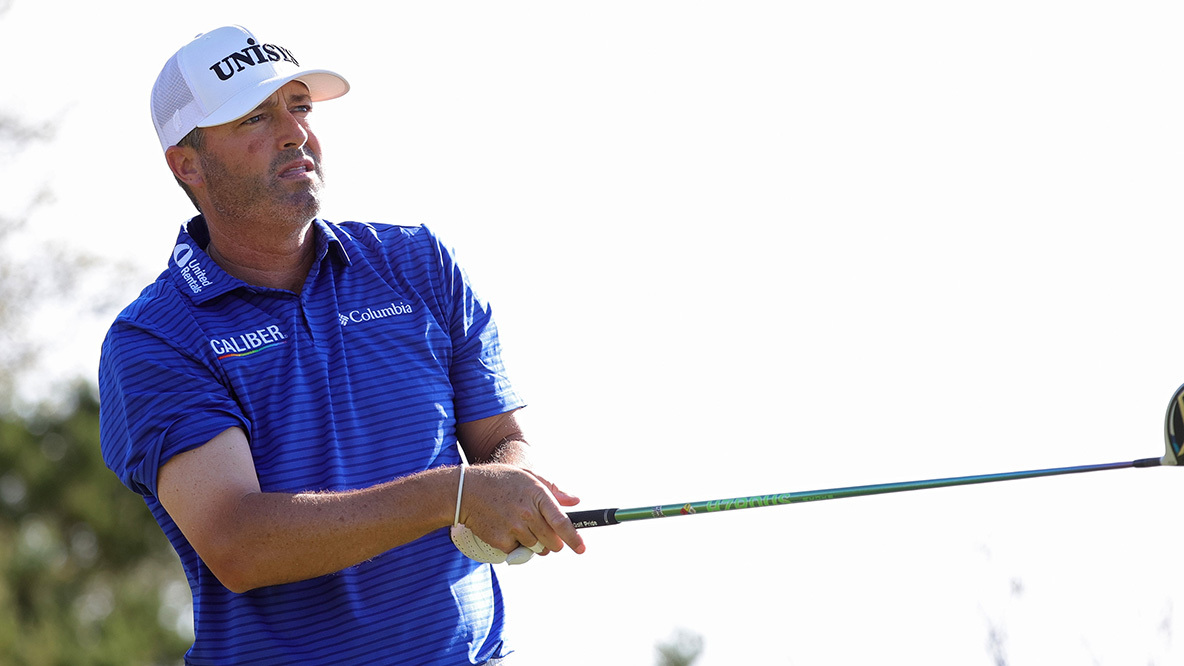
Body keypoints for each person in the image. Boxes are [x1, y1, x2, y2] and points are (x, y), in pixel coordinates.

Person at [98, 25, 585, 665]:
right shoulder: (155, 337)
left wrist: (511, 484)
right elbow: (240, 544)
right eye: (255, 117)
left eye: (299, 106)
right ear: (187, 164)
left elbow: (500, 438)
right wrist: (456, 496)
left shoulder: (418, 263)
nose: (295, 133)